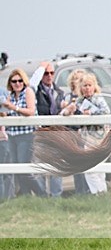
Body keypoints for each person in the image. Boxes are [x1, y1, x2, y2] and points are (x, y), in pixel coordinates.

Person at [1, 69, 46, 197]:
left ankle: (42, 193)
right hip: (13, 134)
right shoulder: (10, 96)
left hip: (26, 134)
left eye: (20, 80)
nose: (17, 83)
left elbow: (31, 111)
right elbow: (7, 114)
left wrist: (14, 107)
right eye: (14, 81)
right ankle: (26, 196)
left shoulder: (28, 92)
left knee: (24, 166)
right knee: (17, 168)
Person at [31, 61, 65, 197]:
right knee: (38, 166)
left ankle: (56, 197)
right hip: (41, 134)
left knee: (56, 167)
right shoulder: (35, 91)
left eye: (52, 73)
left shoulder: (59, 92)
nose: (49, 76)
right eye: (46, 73)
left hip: (56, 134)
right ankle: (42, 196)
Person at [74, 73, 110, 194]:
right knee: (90, 167)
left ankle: (100, 192)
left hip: (99, 137)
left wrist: (91, 114)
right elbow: (73, 113)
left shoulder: (98, 99)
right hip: (86, 138)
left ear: (94, 86)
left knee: (96, 168)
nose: (87, 88)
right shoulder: (79, 101)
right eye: (84, 85)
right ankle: (99, 192)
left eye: (89, 85)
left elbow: (106, 112)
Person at [57, 69, 90, 194]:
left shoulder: (87, 98)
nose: (80, 82)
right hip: (71, 133)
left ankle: (88, 192)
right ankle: (80, 192)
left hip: (85, 134)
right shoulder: (68, 97)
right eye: (77, 79)